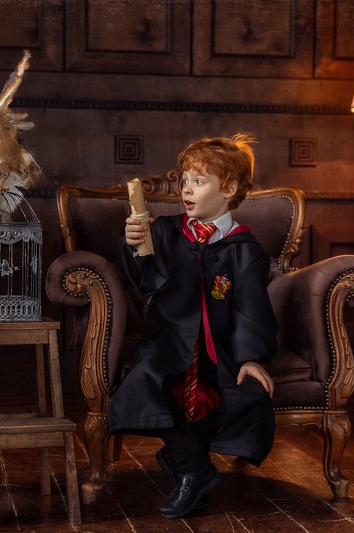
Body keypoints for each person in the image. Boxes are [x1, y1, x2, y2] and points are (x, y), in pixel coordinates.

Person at [108, 133, 279, 519]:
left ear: (229, 189)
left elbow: (251, 309)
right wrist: (133, 245)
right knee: (147, 380)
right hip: (168, 341)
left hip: (219, 350)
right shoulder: (165, 231)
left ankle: (181, 458)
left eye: (199, 181)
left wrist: (251, 358)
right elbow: (141, 277)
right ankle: (193, 468)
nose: (186, 189)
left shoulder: (244, 250)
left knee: (244, 396)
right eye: (184, 180)